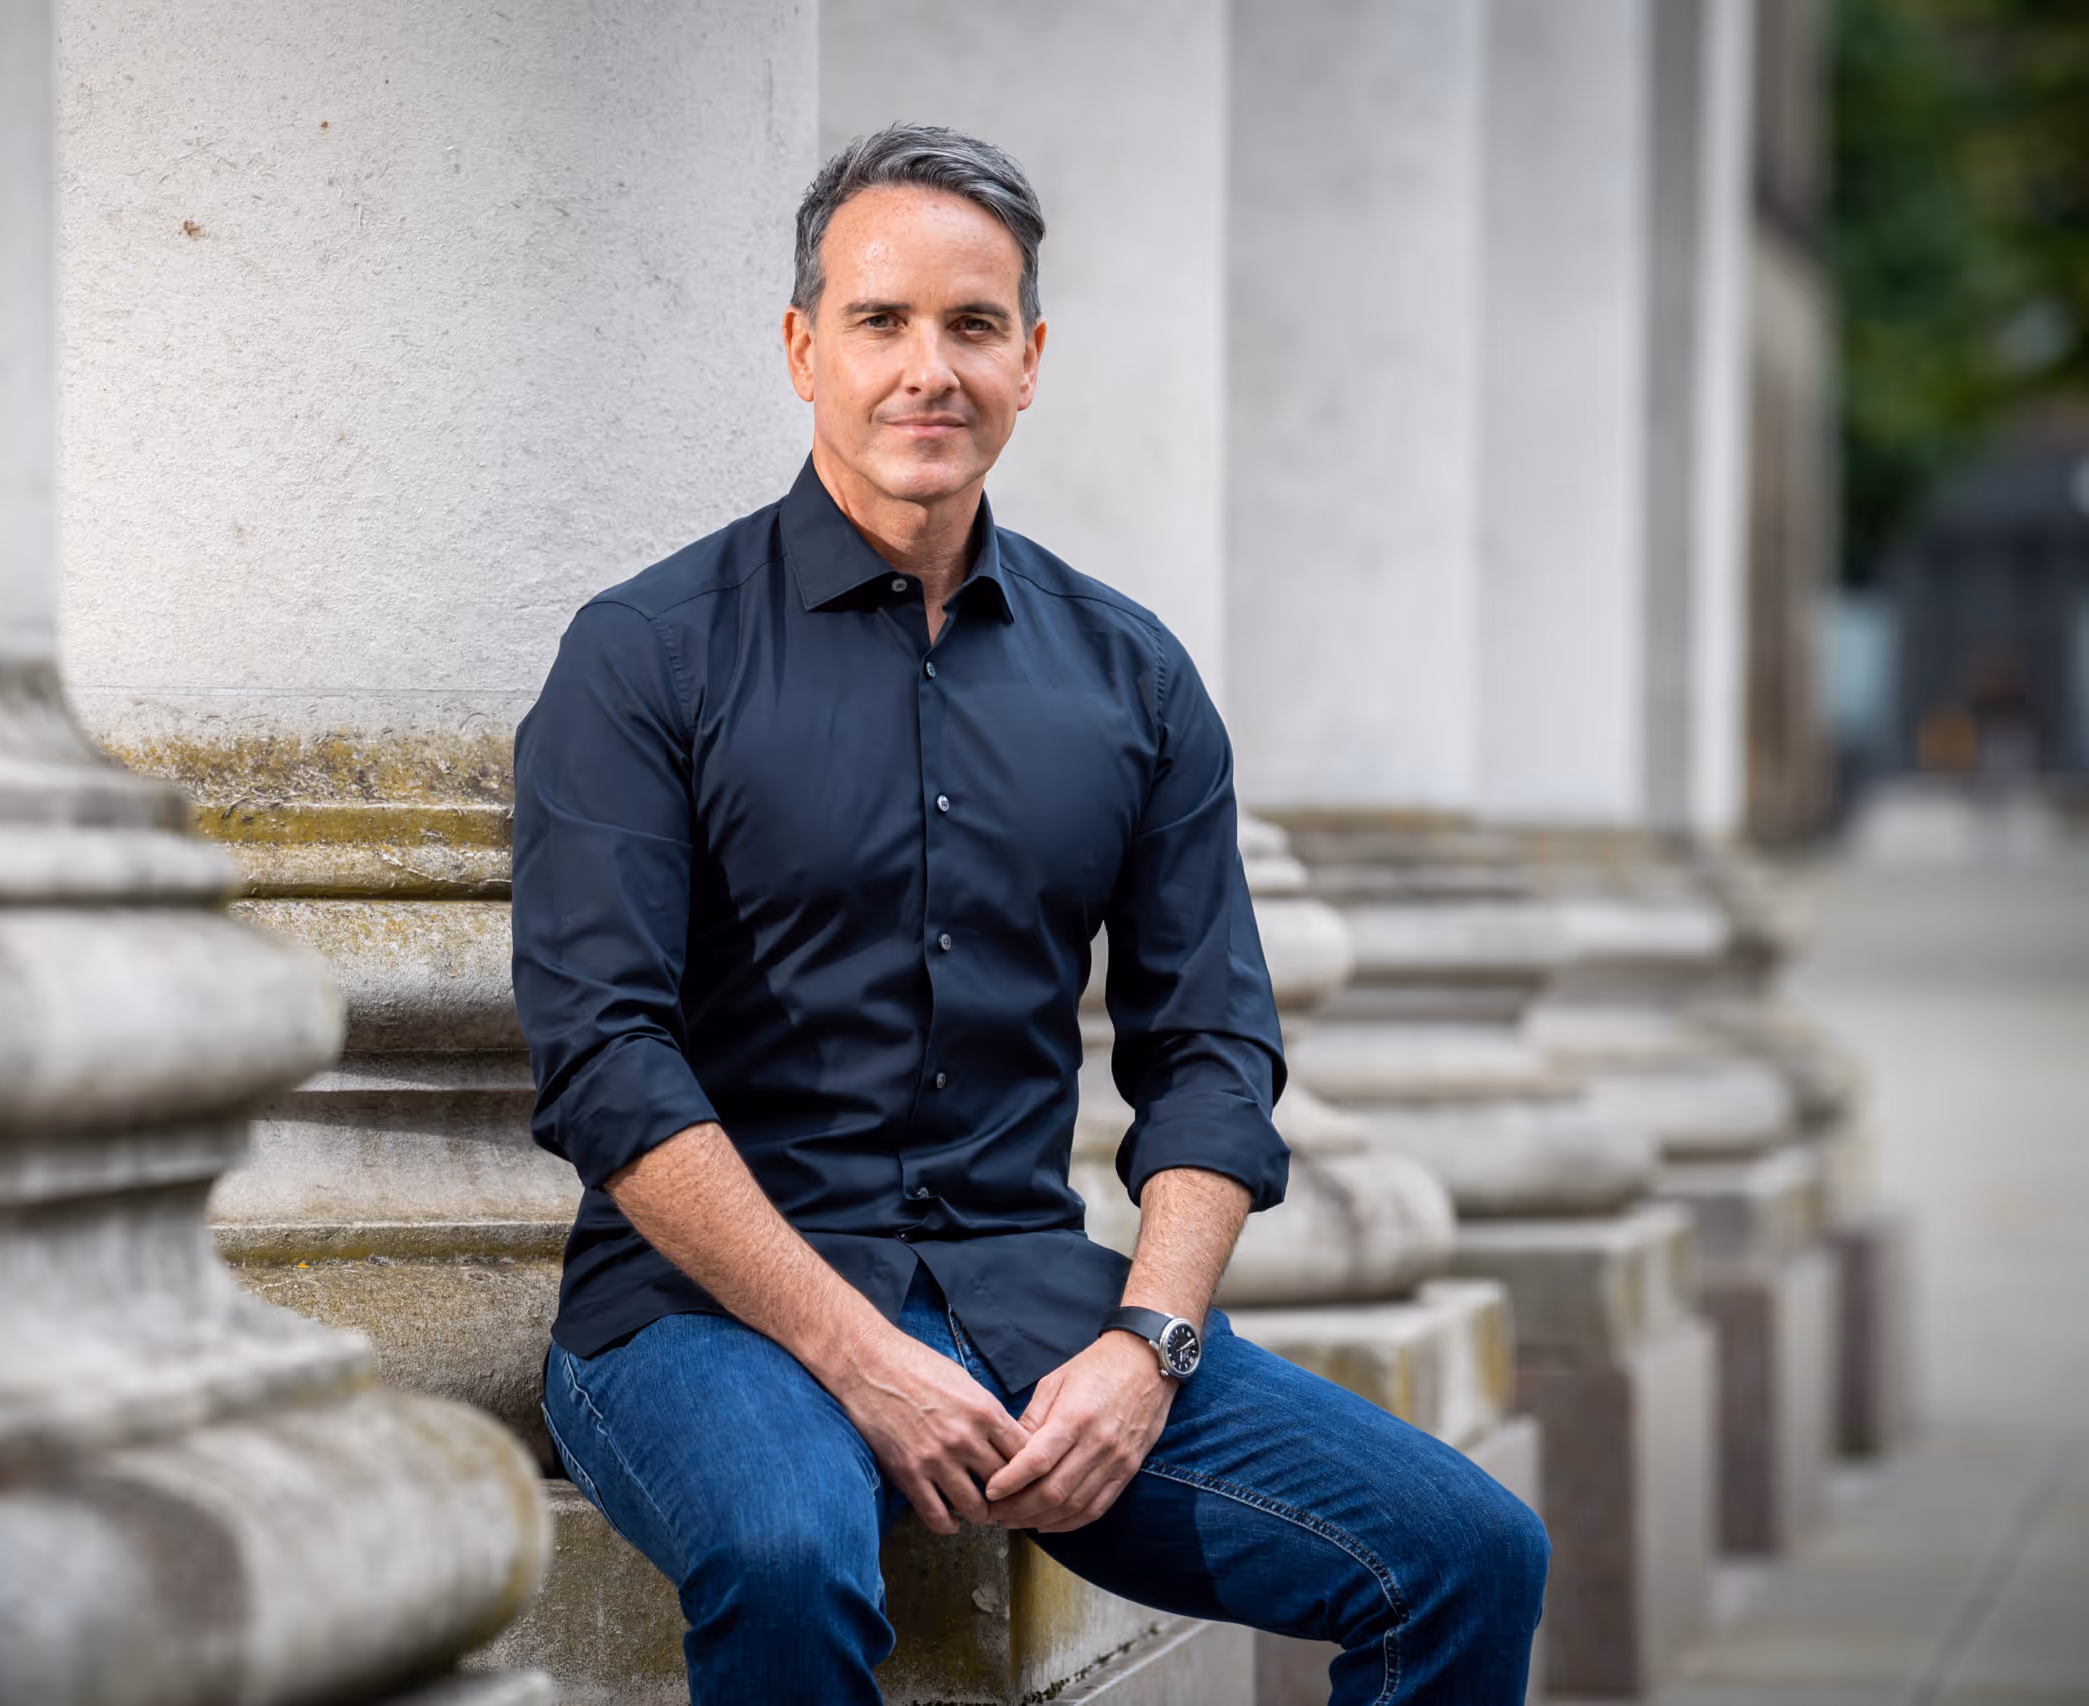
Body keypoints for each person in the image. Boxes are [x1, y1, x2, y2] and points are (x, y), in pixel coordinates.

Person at [513, 123, 1547, 1704]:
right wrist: (857, 1353)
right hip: (700, 1319)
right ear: (802, 349)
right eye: (880, 321)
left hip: (1033, 1306)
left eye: (973, 325)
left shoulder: (1132, 676)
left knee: (1469, 1554)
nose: (927, 369)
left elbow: (1212, 1053)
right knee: (789, 1556)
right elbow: (606, 1063)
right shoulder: (645, 654)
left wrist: (1150, 1342)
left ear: (1030, 361)